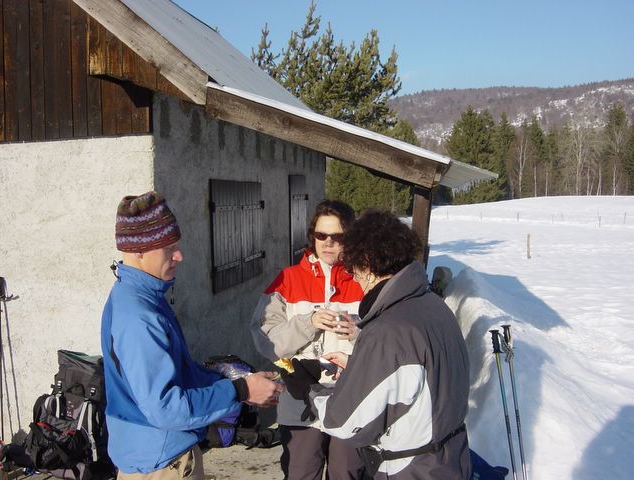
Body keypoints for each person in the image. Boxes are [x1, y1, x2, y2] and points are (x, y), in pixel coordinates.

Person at [101, 191, 282, 479]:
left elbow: (180, 374)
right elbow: (166, 408)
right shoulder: (139, 316)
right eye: (168, 247)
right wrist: (241, 391)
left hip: (151, 453)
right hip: (163, 463)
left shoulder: (138, 296)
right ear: (139, 250)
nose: (179, 255)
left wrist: (234, 383)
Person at [281, 210, 471, 479]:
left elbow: (345, 422)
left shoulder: (387, 329)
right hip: (450, 458)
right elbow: (417, 376)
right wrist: (359, 367)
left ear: (367, 263)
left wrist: (310, 391)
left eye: (353, 269)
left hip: (411, 469)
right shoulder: (432, 306)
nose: (354, 278)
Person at [250, 199, 365, 480]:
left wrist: (358, 333)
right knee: (301, 473)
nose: (328, 243)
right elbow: (265, 340)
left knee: (347, 473)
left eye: (337, 236)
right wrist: (308, 323)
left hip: (351, 399)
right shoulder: (287, 279)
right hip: (301, 400)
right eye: (321, 235)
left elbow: (388, 338)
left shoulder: (365, 280)